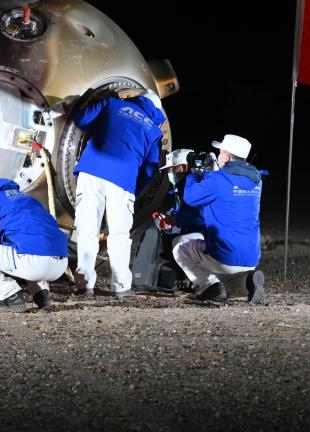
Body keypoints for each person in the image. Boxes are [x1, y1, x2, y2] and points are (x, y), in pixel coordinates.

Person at [71, 88, 166, 298]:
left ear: (138, 99)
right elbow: (150, 169)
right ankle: (121, 287)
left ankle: (83, 284)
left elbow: (81, 120)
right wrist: (133, 189)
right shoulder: (154, 131)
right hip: (123, 179)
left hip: (91, 170)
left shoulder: (112, 104)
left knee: (87, 229)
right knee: (119, 234)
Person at [169, 134, 266, 304]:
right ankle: (249, 281)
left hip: (224, 256)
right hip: (251, 257)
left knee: (179, 246)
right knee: (229, 286)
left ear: (227, 157)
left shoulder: (217, 179)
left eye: (220, 153)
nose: (218, 157)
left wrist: (193, 173)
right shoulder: (257, 181)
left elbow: (190, 198)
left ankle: (209, 286)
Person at [0, 178, 70, 312]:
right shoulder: (27, 198)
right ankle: (42, 296)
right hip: (60, 263)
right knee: (27, 247)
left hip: (37, 263)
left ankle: (11, 296)